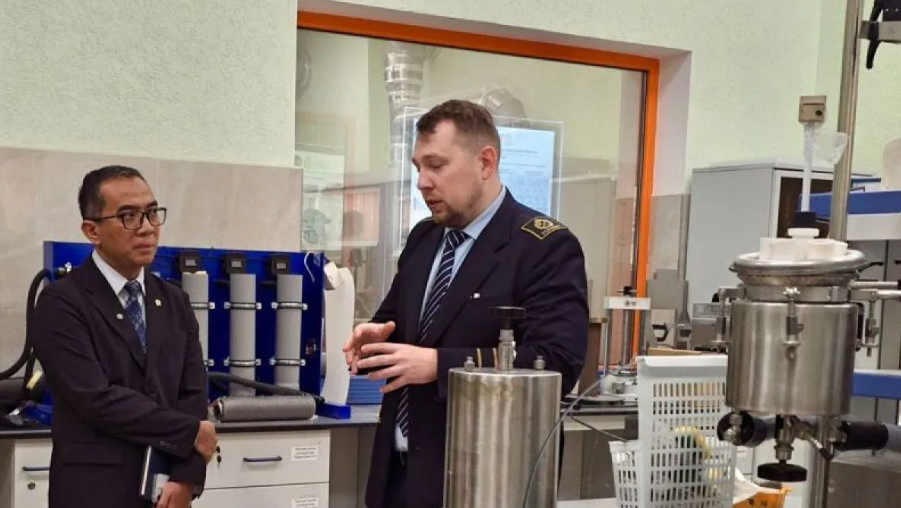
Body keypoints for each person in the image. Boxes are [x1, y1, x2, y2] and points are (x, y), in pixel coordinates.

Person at [344, 100, 589, 508]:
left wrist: (440, 365)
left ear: (486, 162)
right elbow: (397, 326)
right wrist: (373, 338)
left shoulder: (542, 246)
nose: (423, 182)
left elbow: (558, 362)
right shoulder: (424, 239)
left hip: (486, 480)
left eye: (436, 165)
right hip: (399, 476)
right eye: (418, 167)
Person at [30, 166, 217, 508]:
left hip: (165, 490)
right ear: (92, 231)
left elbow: (192, 393)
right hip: (92, 492)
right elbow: (96, 399)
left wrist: (186, 478)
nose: (146, 227)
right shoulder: (61, 302)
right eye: (128, 216)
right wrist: (189, 432)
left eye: (152, 213)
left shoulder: (174, 301)